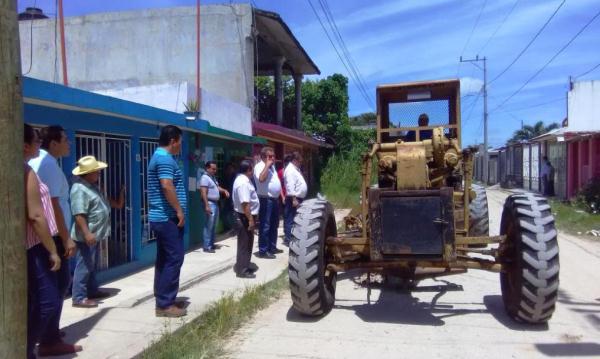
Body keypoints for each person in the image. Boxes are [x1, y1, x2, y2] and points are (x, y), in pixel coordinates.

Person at [24, 124, 82, 357]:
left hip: (45, 238)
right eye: (65, 140)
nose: (69, 144)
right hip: (46, 239)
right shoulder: (45, 164)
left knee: (51, 291)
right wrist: (64, 241)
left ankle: (48, 335)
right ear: (54, 143)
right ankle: (41, 341)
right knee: (51, 293)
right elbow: (50, 208)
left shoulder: (39, 164)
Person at [70, 156, 125, 308]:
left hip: (96, 233)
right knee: (85, 265)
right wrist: (87, 233)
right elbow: (79, 213)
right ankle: (79, 296)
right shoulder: (79, 189)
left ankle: (92, 290)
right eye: (96, 171)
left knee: (91, 263)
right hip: (87, 235)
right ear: (88, 173)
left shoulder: (91, 186)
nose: (99, 174)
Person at [147, 125, 188, 317]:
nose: (181, 145)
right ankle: (165, 304)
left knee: (164, 260)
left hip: (162, 217)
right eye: (180, 141)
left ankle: (164, 298)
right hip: (167, 218)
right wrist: (179, 210)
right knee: (174, 258)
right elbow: (166, 185)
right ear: (173, 141)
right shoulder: (164, 159)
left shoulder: (160, 157)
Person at [232, 160, 260, 278]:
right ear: (248, 170)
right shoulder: (243, 182)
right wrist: (250, 220)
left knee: (248, 242)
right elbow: (245, 203)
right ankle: (242, 271)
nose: (252, 171)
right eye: (252, 169)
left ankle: (245, 265)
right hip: (244, 216)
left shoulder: (243, 180)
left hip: (246, 216)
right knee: (244, 244)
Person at [254, 147, 282, 259]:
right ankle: (263, 250)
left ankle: (272, 247)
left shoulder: (272, 167)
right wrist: (267, 165)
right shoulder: (260, 166)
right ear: (263, 156)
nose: (273, 158)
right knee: (265, 225)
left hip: (274, 199)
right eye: (270, 156)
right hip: (265, 199)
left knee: (274, 224)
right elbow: (261, 179)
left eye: (273, 156)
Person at [199, 160, 230, 253]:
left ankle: (211, 244)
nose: (214, 170)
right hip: (210, 203)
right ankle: (206, 246)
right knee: (209, 225)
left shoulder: (212, 177)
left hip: (215, 203)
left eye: (215, 169)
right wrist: (206, 205)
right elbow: (203, 192)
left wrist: (224, 190)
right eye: (213, 169)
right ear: (207, 168)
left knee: (213, 225)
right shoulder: (204, 178)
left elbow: (217, 187)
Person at [283, 151, 308, 246]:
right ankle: (289, 239)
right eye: (299, 161)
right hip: (293, 198)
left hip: (298, 197)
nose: (300, 163)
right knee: (290, 219)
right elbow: (290, 186)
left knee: (296, 219)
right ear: (294, 160)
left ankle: (294, 237)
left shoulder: (295, 169)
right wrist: (294, 199)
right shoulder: (290, 170)